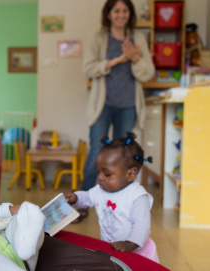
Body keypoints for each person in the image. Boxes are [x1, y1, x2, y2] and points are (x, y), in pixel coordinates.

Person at [79, 0, 155, 223]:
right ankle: (83, 201)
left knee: (125, 156)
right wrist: (119, 59)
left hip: (128, 105)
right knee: (97, 152)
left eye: (124, 10)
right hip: (103, 105)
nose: (121, 14)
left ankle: (124, 201)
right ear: (109, 14)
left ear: (129, 14)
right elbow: (88, 68)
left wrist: (136, 58)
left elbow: (147, 73)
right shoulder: (98, 38)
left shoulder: (138, 39)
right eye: (116, 10)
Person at [64, 132, 159, 262]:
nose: (100, 177)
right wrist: (75, 198)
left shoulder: (137, 196)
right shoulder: (101, 190)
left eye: (107, 174)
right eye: (99, 172)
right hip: (115, 249)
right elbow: (87, 197)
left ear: (130, 174)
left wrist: (130, 244)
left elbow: (142, 225)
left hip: (138, 252)